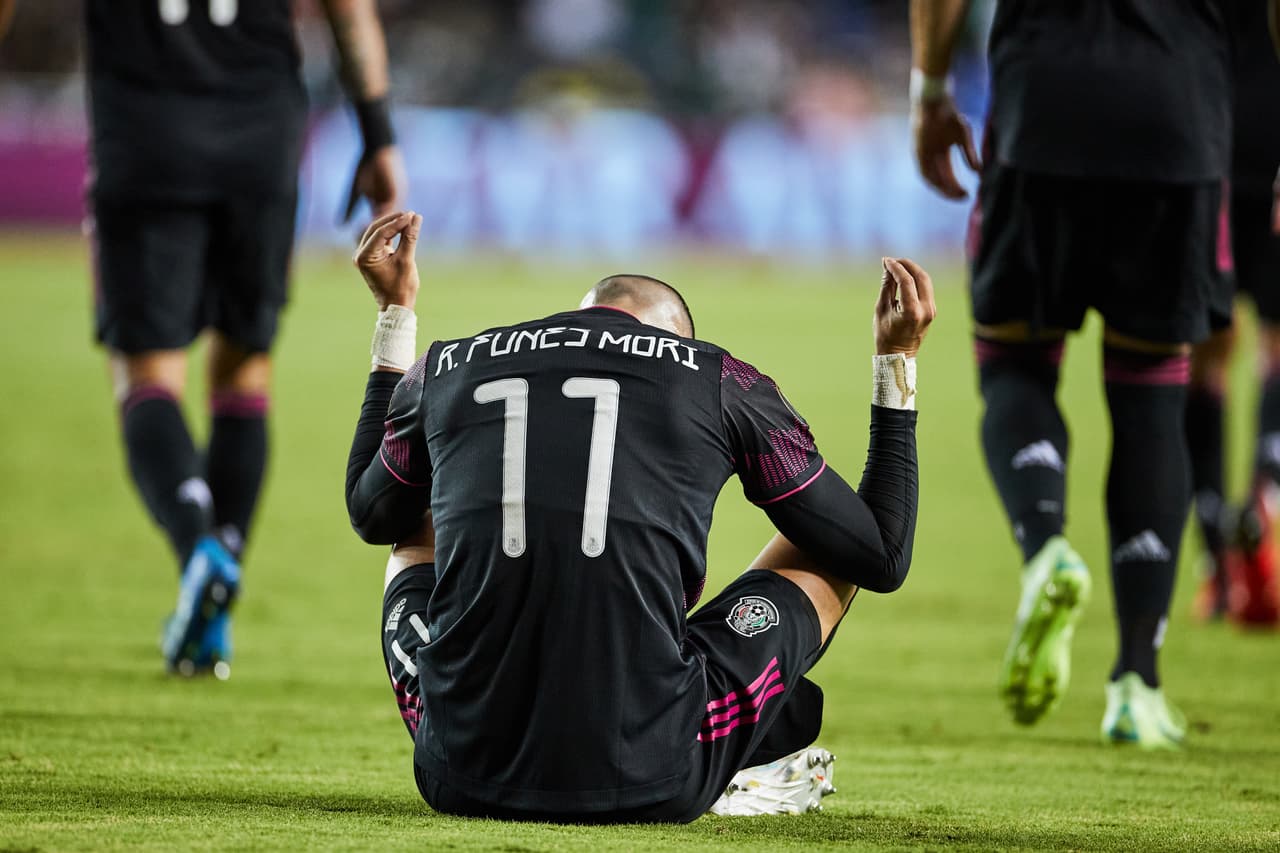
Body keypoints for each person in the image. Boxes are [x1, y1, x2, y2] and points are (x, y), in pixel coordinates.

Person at [343, 210, 933, 822]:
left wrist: (395, 317)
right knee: (828, 543)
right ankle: (733, 765)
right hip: (650, 774)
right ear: (676, 338)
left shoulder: (448, 365)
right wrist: (898, 357)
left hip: (456, 770)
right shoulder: (718, 378)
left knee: (411, 523)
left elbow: (369, 514)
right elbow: (880, 553)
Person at [909, 0, 1254, 748]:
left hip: (1043, 107)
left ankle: (1044, 545)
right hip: (1180, 111)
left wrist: (930, 92)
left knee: (1013, 364)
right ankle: (1136, 679)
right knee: (1151, 391)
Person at [58, 0, 406, 677]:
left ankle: (199, 553)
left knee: (148, 374)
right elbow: (350, 11)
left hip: (144, 131)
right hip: (261, 136)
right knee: (246, 369)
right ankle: (218, 587)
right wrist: (378, 134)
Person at [1185, 2, 1280, 627]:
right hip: (1269, 132)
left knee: (1206, 358)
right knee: (1275, 344)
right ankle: (1266, 496)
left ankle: (1216, 557)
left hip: (1200, 138)